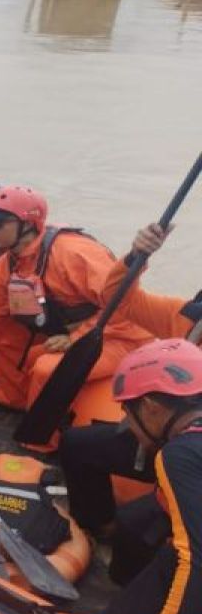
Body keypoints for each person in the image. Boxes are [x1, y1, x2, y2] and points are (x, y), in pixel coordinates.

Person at [0, 186, 150, 412]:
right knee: (2, 328)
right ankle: (12, 397)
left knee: (45, 368)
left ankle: (39, 443)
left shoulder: (73, 254)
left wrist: (76, 338)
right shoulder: (7, 264)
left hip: (119, 336)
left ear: (27, 225)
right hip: (69, 328)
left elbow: (123, 305)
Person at [59, 221, 201, 546]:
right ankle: (100, 527)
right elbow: (119, 300)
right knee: (77, 445)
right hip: (162, 433)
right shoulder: (188, 319)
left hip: (193, 460)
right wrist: (138, 256)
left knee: (138, 527)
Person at [82, 339, 202, 614]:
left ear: (150, 407)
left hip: (192, 559)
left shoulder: (178, 456)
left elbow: (198, 558)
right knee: (135, 521)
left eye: (128, 414)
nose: (130, 429)